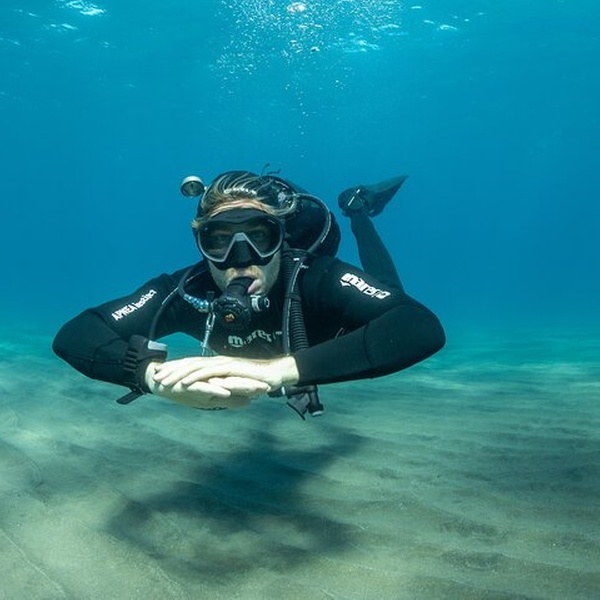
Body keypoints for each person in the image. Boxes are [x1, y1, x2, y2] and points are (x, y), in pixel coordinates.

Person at [53, 170, 445, 417]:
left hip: (324, 334)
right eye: (219, 241)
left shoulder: (313, 276)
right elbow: (77, 334)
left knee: (392, 296)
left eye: (260, 237)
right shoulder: (187, 291)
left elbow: (418, 326)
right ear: (201, 245)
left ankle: (357, 206)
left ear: (281, 239)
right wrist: (149, 376)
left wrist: (279, 371)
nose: (241, 260)